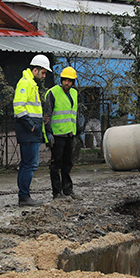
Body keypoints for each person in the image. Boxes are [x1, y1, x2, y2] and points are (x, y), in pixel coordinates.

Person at [13, 54, 50, 207]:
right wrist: (32, 126)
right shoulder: (25, 83)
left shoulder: (29, 84)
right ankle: (24, 197)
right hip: (29, 131)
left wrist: (40, 120)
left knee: (26, 164)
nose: (44, 76)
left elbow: (28, 108)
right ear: (35, 70)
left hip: (30, 130)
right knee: (29, 164)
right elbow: (18, 107)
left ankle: (24, 196)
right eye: (43, 73)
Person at [44, 66, 80, 200]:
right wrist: (48, 133)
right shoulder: (52, 93)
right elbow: (47, 114)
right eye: (65, 80)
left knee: (67, 163)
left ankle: (68, 190)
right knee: (55, 164)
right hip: (57, 135)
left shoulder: (74, 93)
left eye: (70, 81)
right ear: (61, 79)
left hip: (70, 133)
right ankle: (56, 193)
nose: (67, 83)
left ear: (73, 82)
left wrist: (77, 129)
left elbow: (74, 113)